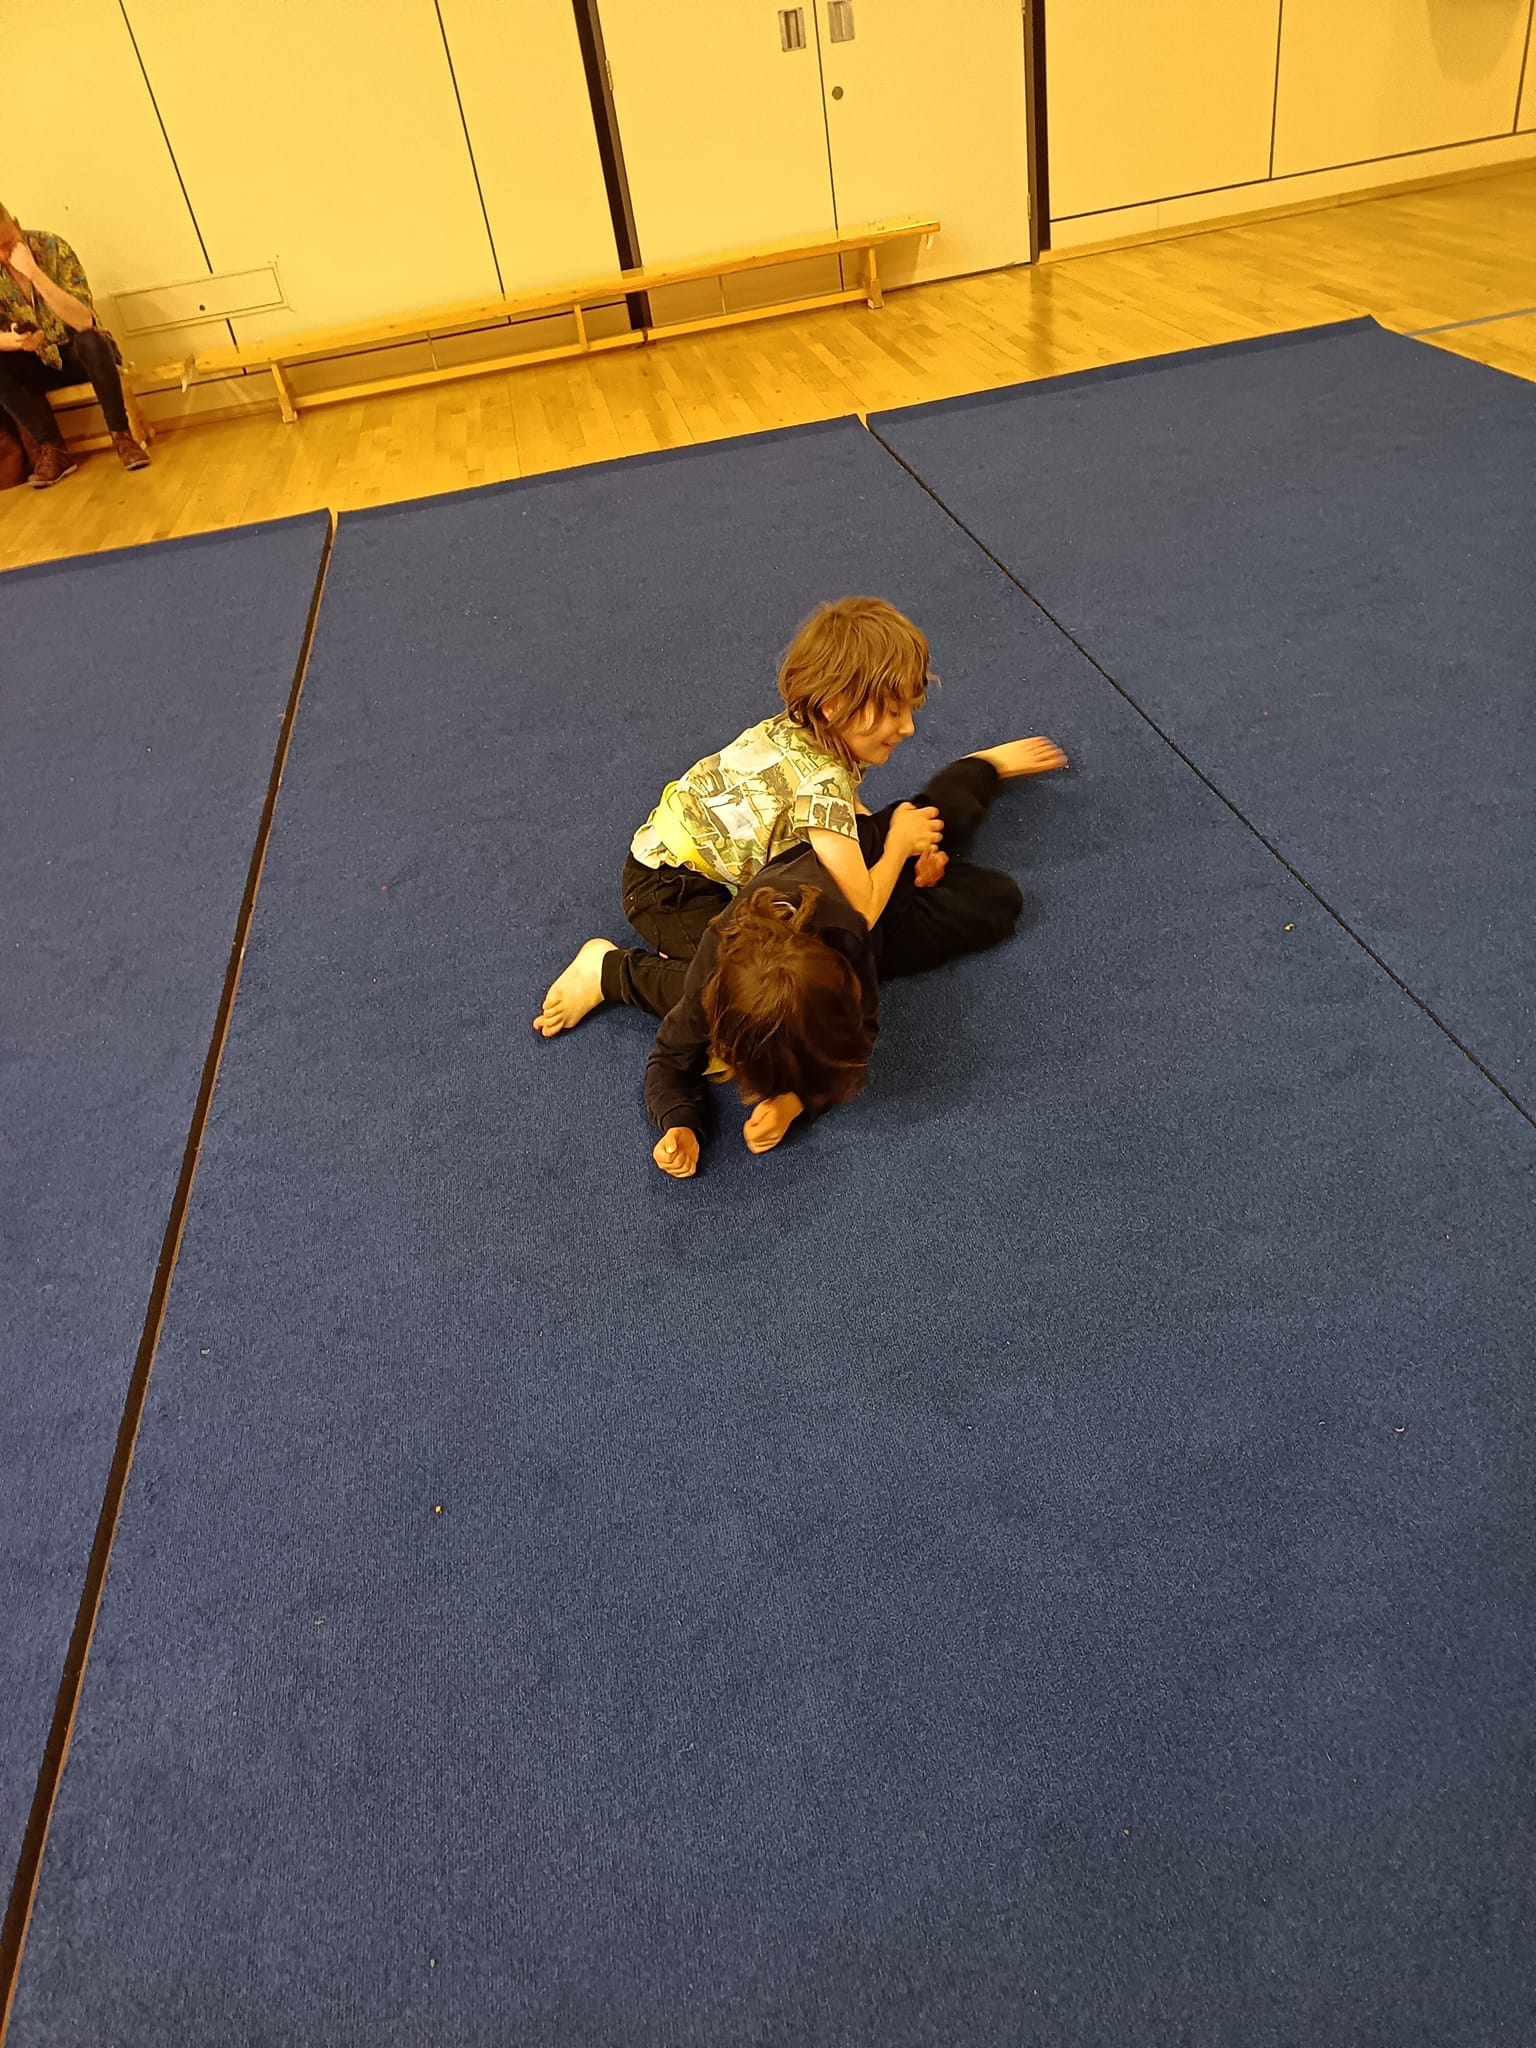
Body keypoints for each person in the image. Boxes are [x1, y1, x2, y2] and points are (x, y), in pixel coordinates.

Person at [647, 739, 1067, 1175]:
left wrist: (914, 856)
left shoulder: (845, 943)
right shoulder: (708, 987)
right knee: (997, 900)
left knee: (937, 823)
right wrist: (680, 1123)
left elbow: (858, 1036)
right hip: (862, 926)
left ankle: (982, 764)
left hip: (873, 859)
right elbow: (667, 1059)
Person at [533, 596, 944, 1040]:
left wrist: (893, 842)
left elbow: (843, 816)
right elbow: (861, 911)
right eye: (893, 711)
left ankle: (681, 951)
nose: (908, 728)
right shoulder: (820, 781)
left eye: (910, 710)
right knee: (736, 999)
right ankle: (609, 972)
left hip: (676, 862)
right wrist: (899, 844)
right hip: (667, 889)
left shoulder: (806, 728)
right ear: (835, 705)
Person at [0, 201, 149, 486]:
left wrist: (34, 274)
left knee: (92, 341)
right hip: (35, 360)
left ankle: (122, 437)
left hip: (75, 355)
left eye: (7, 244)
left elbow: (83, 320)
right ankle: (53, 449)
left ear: (16, 225)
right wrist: (17, 341)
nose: (4, 256)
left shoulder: (53, 247)